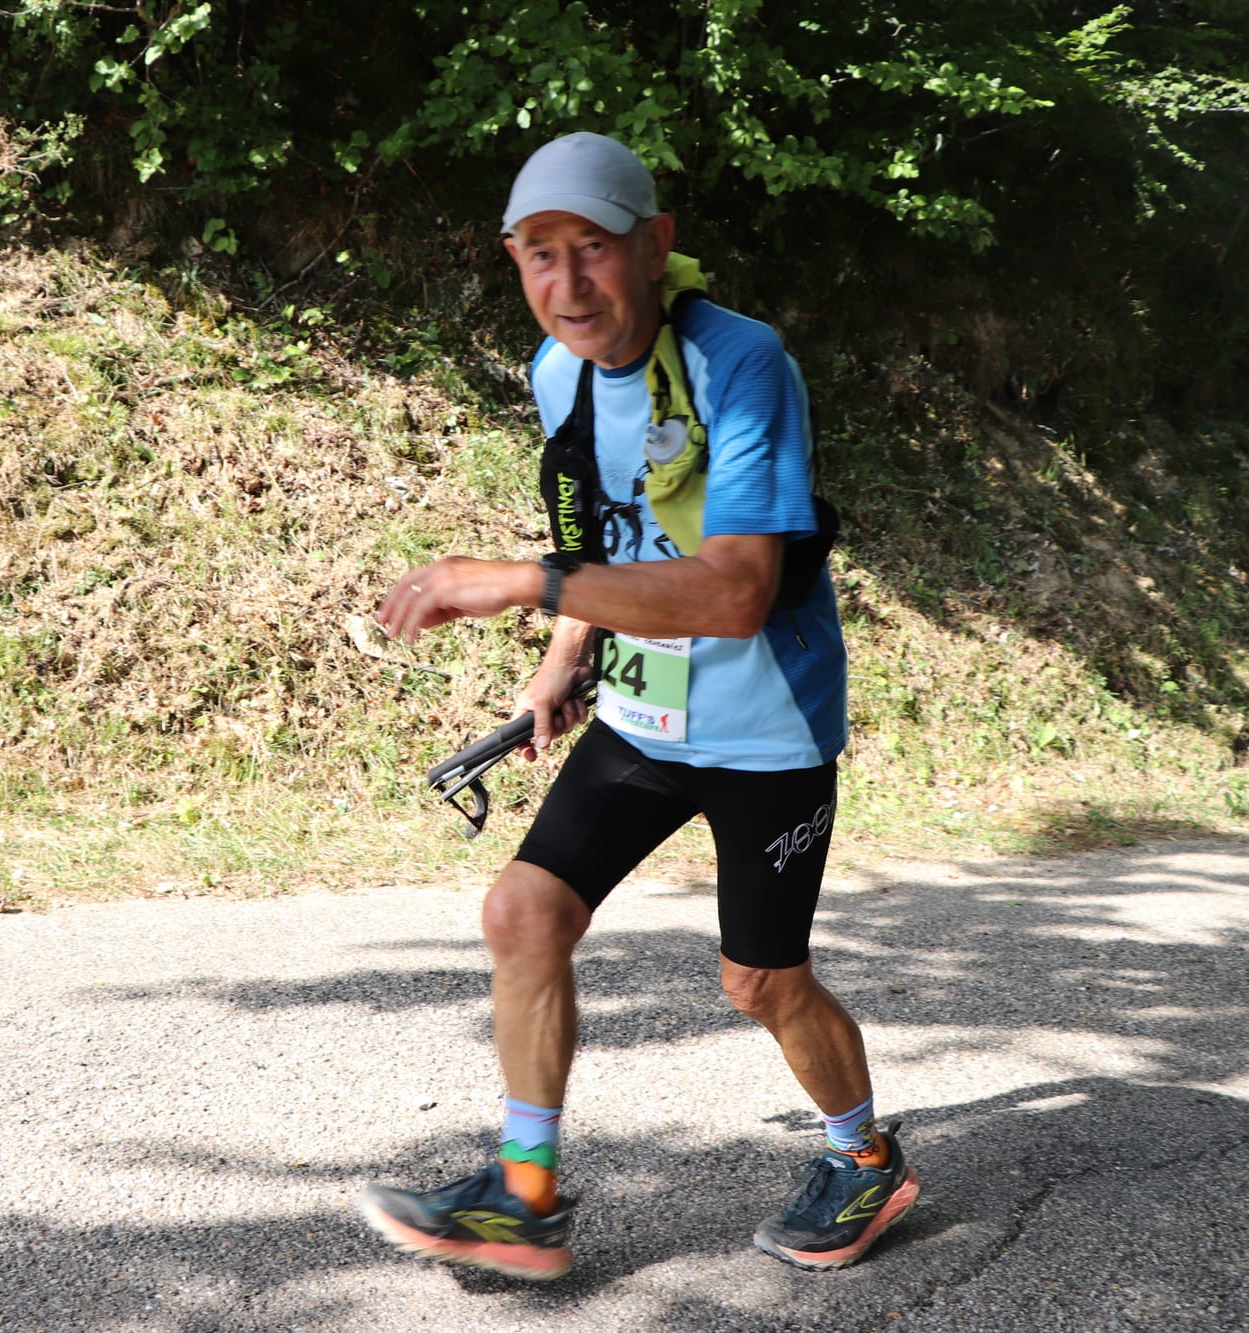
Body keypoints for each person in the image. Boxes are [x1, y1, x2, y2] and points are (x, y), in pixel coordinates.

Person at [358, 132, 918, 1280]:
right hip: (643, 719)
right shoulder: (554, 373)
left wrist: (523, 585)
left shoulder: (741, 363)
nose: (565, 286)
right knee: (522, 913)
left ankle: (862, 1161)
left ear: (654, 246)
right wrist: (567, 646)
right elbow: (606, 533)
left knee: (759, 982)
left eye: (593, 250)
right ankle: (524, 1196)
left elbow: (736, 587)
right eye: (536, 256)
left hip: (765, 728)